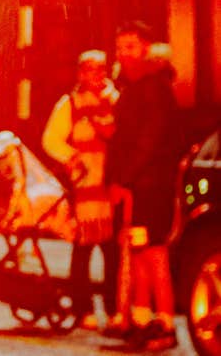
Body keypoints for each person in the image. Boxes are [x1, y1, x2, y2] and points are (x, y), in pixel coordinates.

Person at [106, 21, 183, 351]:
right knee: (138, 256)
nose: (125, 54)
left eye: (132, 47)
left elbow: (147, 141)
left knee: (154, 256)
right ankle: (142, 322)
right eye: (121, 47)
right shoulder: (135, 86)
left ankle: (164, 326)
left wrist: (123, 180)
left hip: (150, 187)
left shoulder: (152, 88)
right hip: (139, 186)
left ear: (146, 48)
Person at [41, 50, 119, 330]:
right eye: (88, 69)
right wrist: (72, 158)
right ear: (80, 73)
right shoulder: (69, 104)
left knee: (113, 252)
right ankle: (83, 308)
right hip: (85, 185)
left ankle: (113, 309)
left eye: (100, 69)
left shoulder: (115, 100)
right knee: (83, 248)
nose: (95, 75)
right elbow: (51, 139)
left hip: (110, 183)